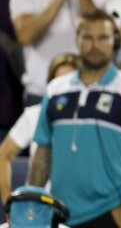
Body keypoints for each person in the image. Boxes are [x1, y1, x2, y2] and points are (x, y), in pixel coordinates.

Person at [28, 10, 121, 228]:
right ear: (77, 40)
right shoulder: (55, 90)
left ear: (114, 41)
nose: (94, 45)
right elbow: (43, 153)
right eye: (88, 37)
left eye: (103, 38)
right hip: (59, 213)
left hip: (109, 212)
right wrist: (32, 205)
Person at [0, 53, 78, 205]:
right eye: (58, 82)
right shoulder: (35, 115)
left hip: (79, 207)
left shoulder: (93, 120)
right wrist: (9, 203)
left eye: (69, 82)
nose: (63, 89)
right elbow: (3, 156)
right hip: (37, 209)